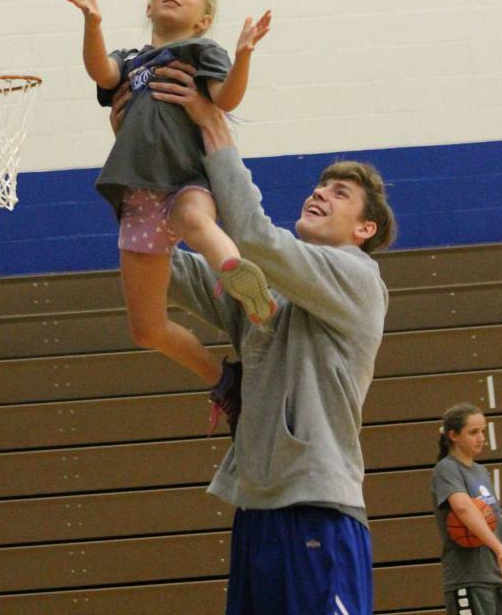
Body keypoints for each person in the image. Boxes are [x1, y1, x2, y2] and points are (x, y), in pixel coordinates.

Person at [112, 62, 397, 615]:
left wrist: (213, 126)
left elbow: (255, 236)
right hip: (257, 511)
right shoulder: (268, 282)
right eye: (319, 187)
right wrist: (141, 165)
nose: (320, 195)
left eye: (338, 194)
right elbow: (169, 271)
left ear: (365, 230)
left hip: (317, 507)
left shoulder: (359, 277)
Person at [60, 0, 275, 398]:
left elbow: (226, 98)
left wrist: (245, 55)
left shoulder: (201, 50)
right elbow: (101, 73)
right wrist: (92, 23)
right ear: (149, 5)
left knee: (197, 219)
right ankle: (222, 379)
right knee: (147, 329)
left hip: (185, 179)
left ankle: (239, 275)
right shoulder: (132, 61)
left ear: (204, 20)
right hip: (139, 196)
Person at [432, 403, 502, 615]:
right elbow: (463, 508)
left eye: (483, 431)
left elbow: (494, 524)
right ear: (453, 435)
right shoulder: (447, 469)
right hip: (469, 578)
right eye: (473, 432)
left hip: (496, 580)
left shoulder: (481, 471)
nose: (481, 438)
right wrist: (500, 550)